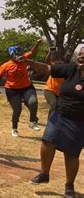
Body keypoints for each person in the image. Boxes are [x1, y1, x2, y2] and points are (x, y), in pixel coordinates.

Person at [25, 47, 83, 197]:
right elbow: (47, 68)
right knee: (47, 141)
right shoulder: (71, 70)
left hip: (79, 120)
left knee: (71, 153)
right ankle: (44, 173)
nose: (80, 57)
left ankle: (69, 185)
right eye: (80, 54)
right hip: (59, 114)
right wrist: (30, 62)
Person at [0, 39, 42, 137]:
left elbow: (32, 52)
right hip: (12, 90)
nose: (20, 56)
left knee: (33, 102)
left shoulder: (24, 59)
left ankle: (32, 122)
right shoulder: (6, 65)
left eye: (20, 54)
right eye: (17, 54)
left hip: (26, 87)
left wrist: (37, 43)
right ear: (12, 55)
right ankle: (14, 128)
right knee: (17, 109)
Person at [43, 48, 64, 119]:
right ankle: (50, 121)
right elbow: (47, 61)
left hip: (59, 94)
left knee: (61, 107)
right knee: (54, 104)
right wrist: (50, 53)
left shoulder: (66, 72)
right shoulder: (54, 68)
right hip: (49, 91)